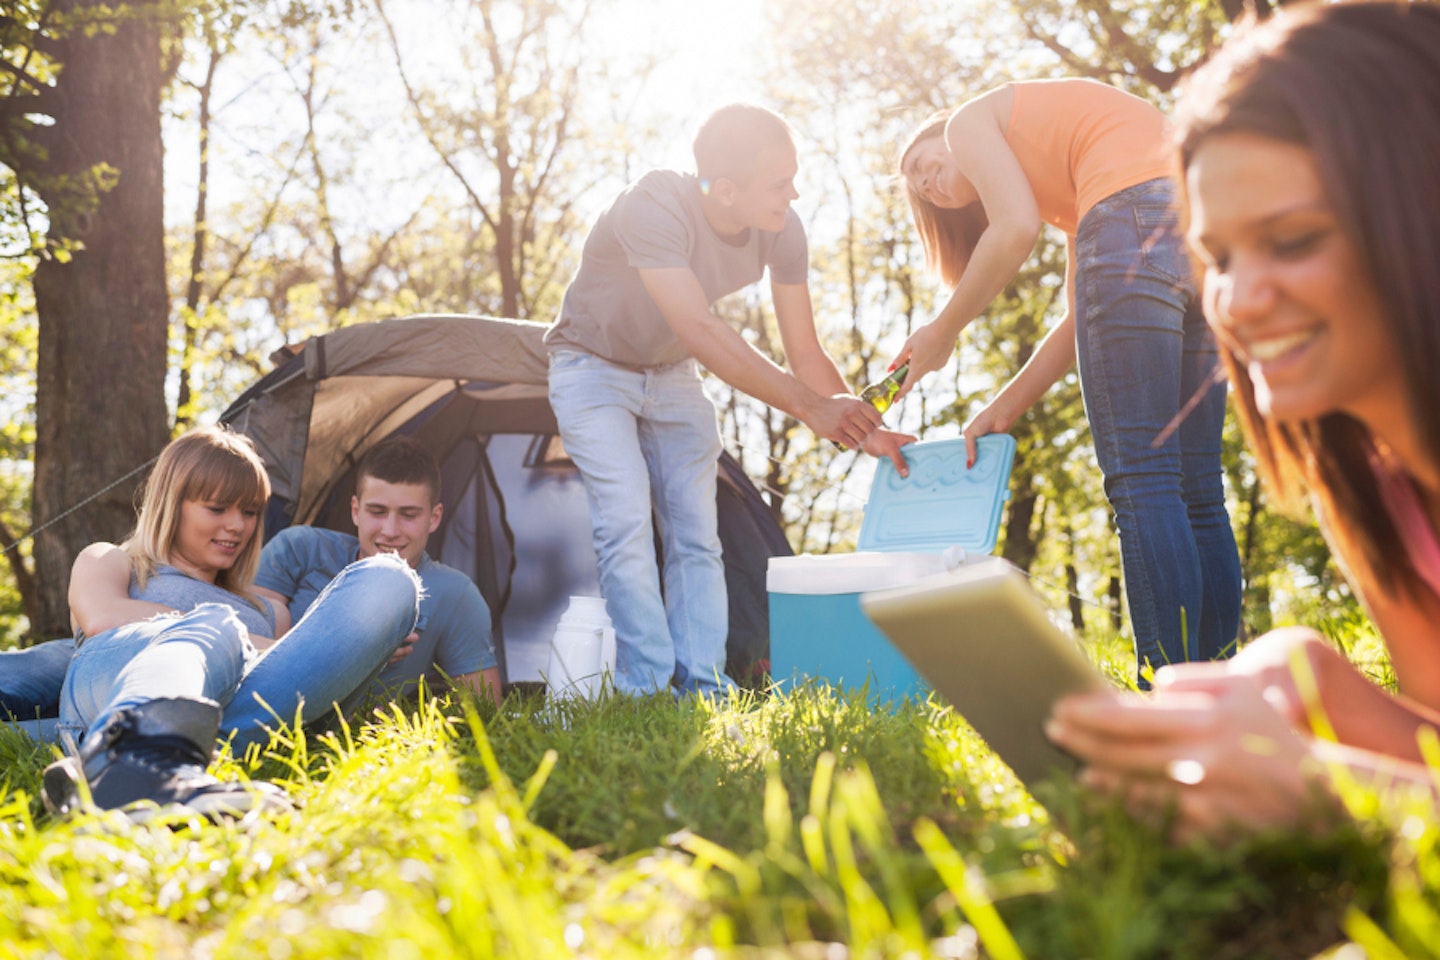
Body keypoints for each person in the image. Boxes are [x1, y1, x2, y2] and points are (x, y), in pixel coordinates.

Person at [1046, 0, 1440, 842]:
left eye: (1293, 240)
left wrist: (1326, 794)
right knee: (1286, 663)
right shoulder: (1374, 484)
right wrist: (1287, 677)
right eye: (1217, 258)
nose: (1238, 300)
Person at [544, 103, 914, 696]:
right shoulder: (655, 207)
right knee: (626, 519)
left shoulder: (782, 231)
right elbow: (699, 326)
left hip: (669, 373)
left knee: (698, 532)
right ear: (724, 191)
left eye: (793, 180)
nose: (792, 194)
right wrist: (809, 408)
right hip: (589, 367)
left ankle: (703, 688)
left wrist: (858, 424)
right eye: (779, 183)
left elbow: (806, 351)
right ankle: (646, 690)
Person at [893, 77, 1243, 683]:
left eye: (924, 165)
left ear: (945, 134)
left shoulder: (969, 121)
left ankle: (1173, 687)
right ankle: (1221, 681)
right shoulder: (1085, 186)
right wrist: (1003, 408)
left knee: (1146, 480)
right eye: (918, 189)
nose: (924, 183)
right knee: (1196, 483)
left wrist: (943, 331)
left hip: (1153, 223)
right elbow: (1083, 316)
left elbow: (1013, 229)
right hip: (1203, 232)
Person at [46, 426, 422, 820]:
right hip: (111, 682)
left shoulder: (270, 613)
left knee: (390, 578)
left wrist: (352, 653)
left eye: (249, 511)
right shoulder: (113, 560)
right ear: (173, 503)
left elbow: (294, 686)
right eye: (217, 508)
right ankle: (129, 765)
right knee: (213, 627)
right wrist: (246, 639)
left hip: (227, 714)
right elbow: (102, 619)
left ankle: (165, 765)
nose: (238, 525)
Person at [253, 436, 501, 707]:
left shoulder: (456, 595)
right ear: (356, 510)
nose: (391, 531)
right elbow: (237, 643)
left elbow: (487, 709)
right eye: (377, 512)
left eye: (408, 515)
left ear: (434, 517)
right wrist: (351, 651)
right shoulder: (298, 549)